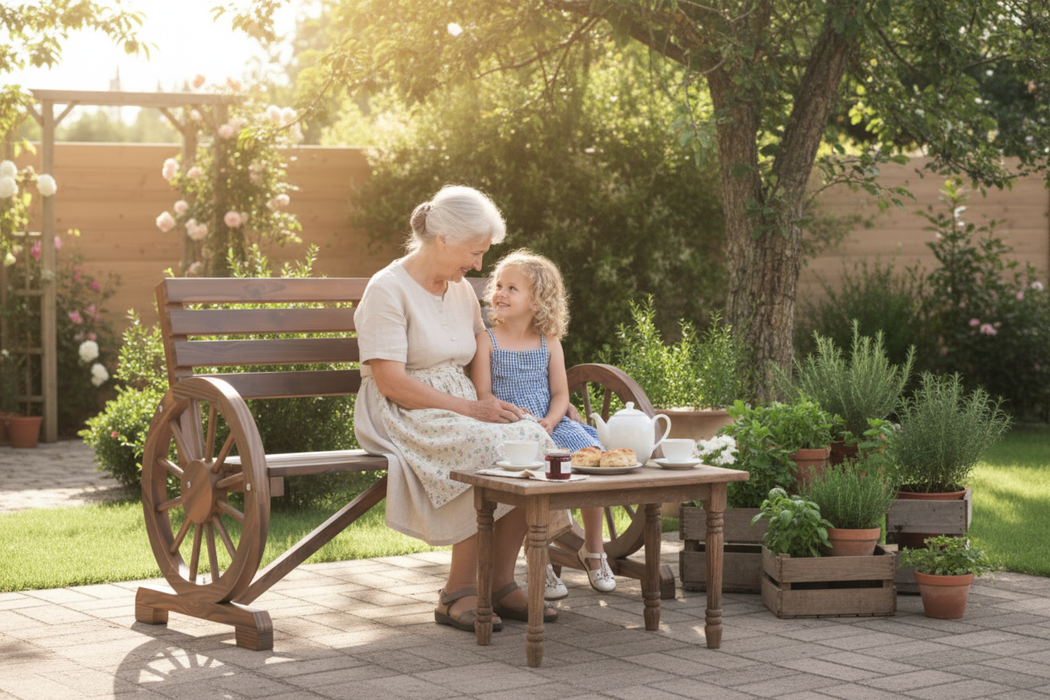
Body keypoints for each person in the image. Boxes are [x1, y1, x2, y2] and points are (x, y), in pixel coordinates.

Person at [353, 186, 559, 633]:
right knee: (482, 446)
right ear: (443, 238)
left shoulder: (461, 288)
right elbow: (391, 382)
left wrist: (484, 400)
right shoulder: (387, 289)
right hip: (402, 408)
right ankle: (456, 593)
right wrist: (472, 409)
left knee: (535, 442)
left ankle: (500, 583)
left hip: (458, 402)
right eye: (475, 252)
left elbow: (480, 340)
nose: (480, 266)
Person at [470, 250, 616, 597]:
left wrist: (551, 421)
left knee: (590, 457)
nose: (500, 293)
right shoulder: (486, 340)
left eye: (512, 288)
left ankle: (593, 551)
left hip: (549, 421)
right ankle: (542, 559)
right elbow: (483, 394)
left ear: (538, 300)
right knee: (542, 474)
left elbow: (560, 394)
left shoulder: (548, 341)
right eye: (499, 286)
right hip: (511, 424)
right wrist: (519, 419)